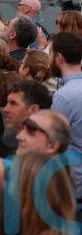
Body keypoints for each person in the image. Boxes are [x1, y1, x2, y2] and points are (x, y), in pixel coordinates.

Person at [49, 31, 82, 202]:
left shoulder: (64, 96)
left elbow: (52, 142)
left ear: (59, 57)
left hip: (73, 189)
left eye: (51, 54)